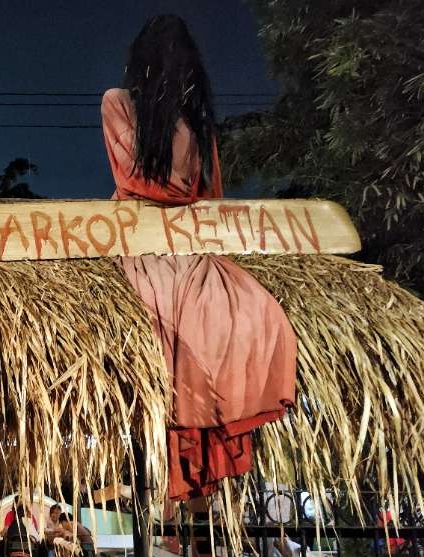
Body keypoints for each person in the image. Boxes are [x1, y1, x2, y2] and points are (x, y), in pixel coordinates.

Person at [101, 14, 296, 501]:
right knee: (200, 317)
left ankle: (198, 434)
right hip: (148, 240)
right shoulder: (141, 109)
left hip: (180, 240)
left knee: (243, 314)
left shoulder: (175, 116)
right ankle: (191, 435)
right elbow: (156, 185)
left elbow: (188, 191)